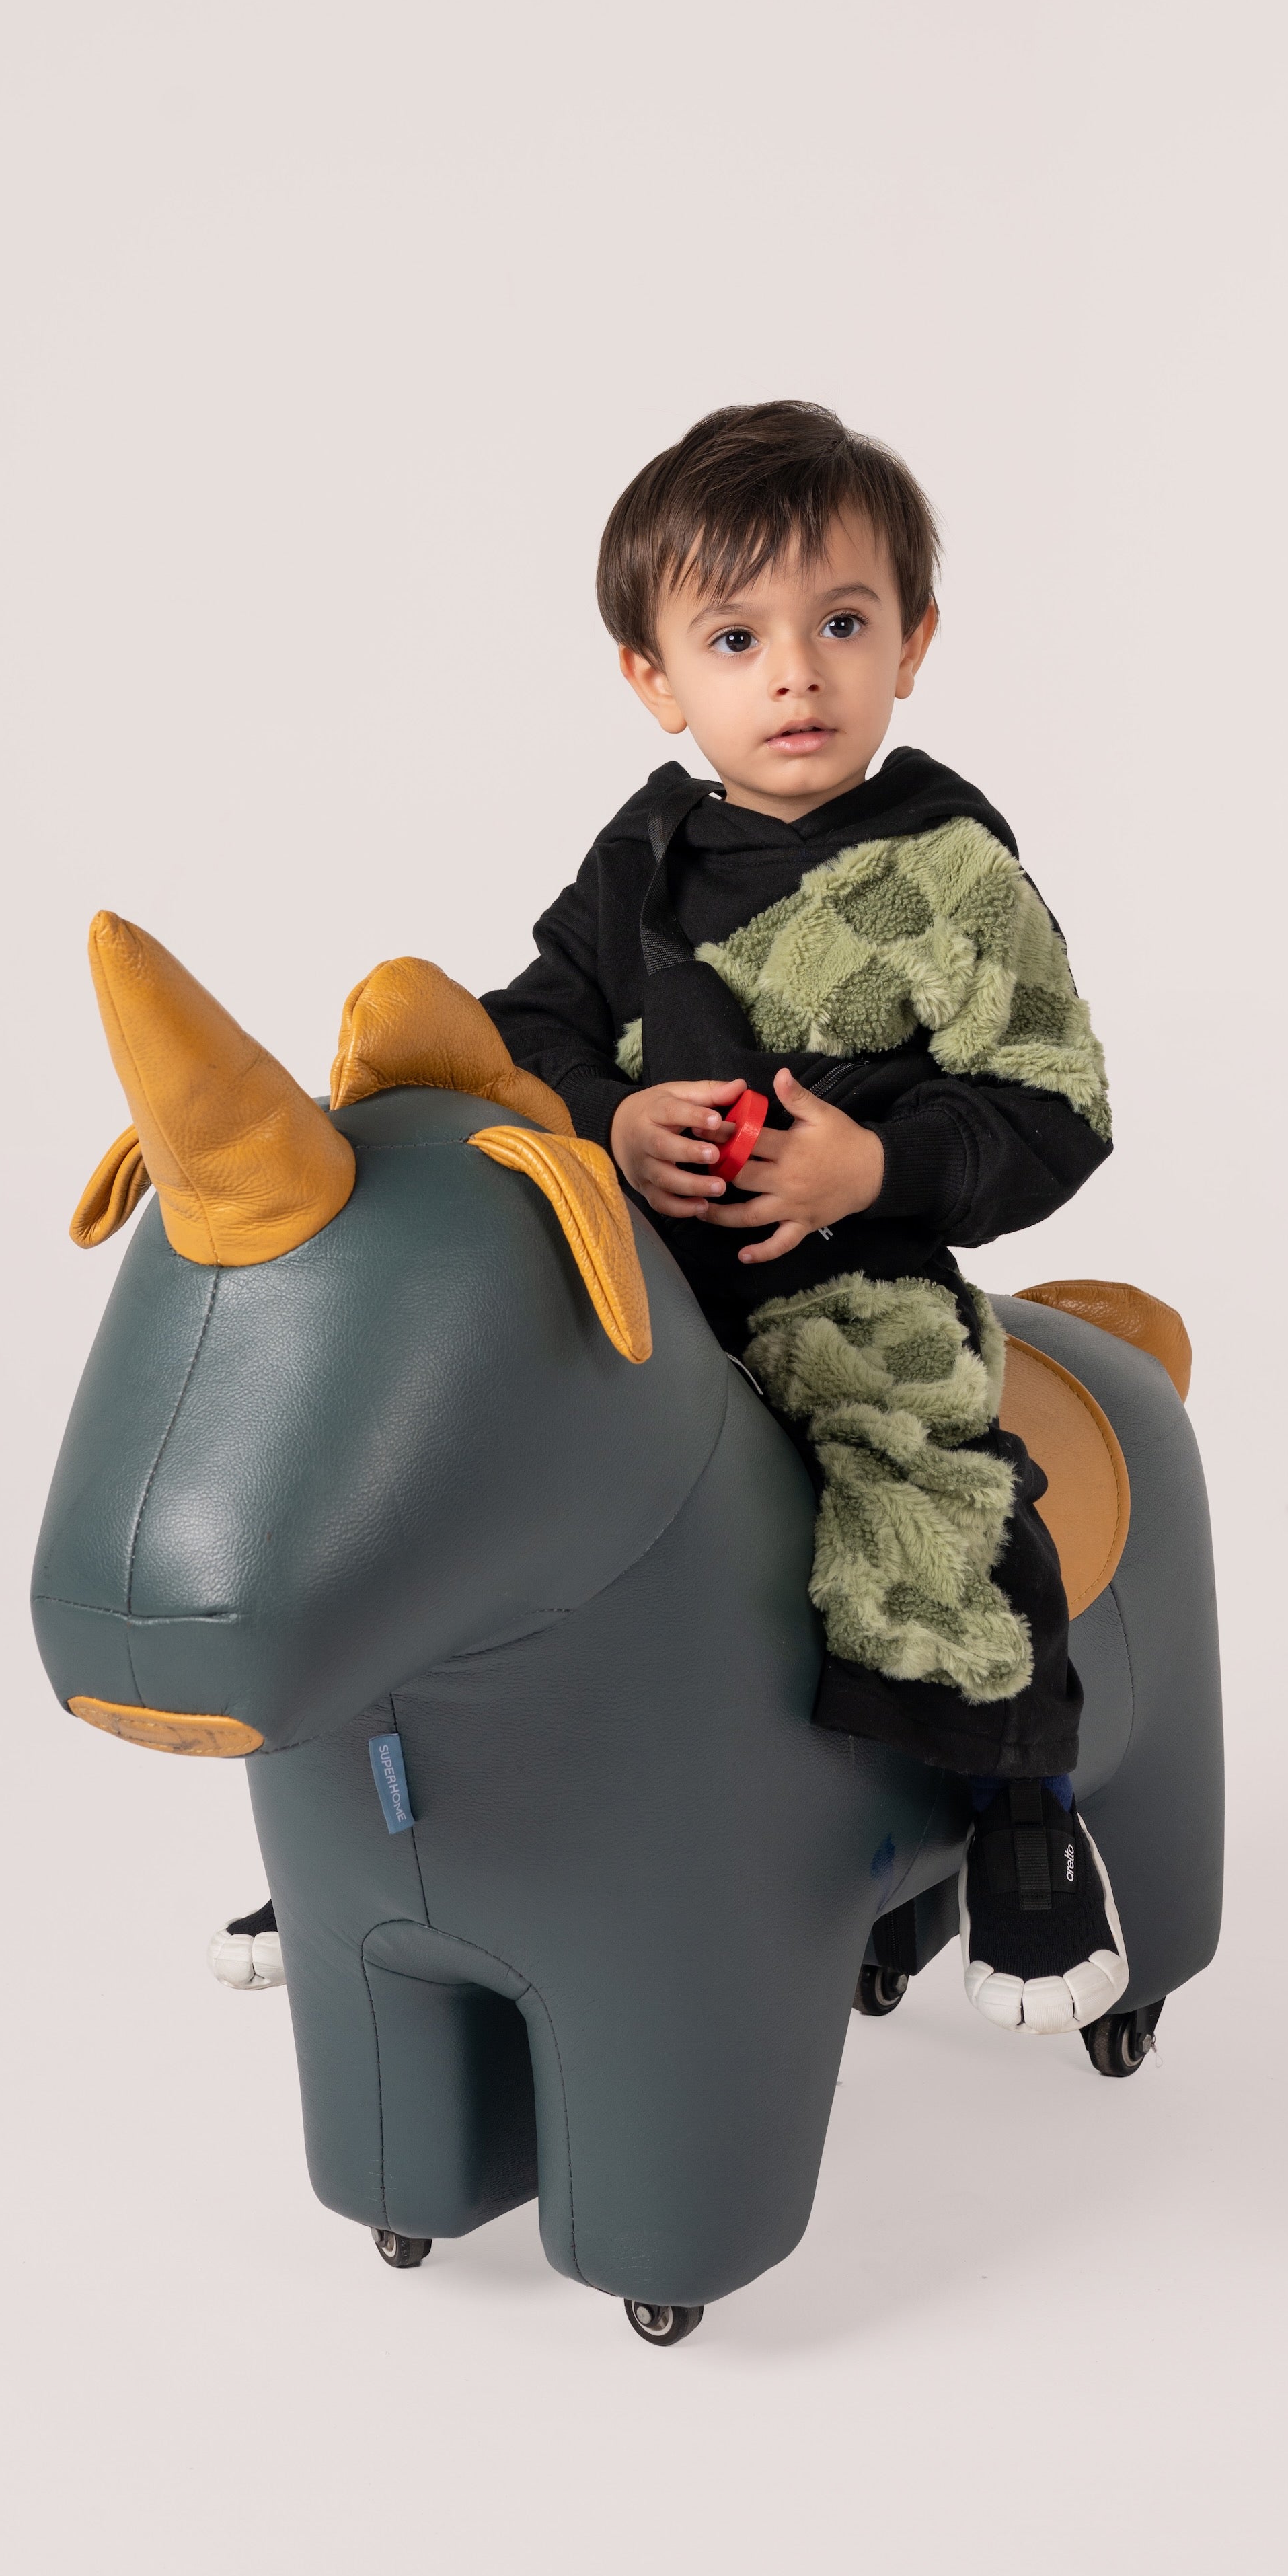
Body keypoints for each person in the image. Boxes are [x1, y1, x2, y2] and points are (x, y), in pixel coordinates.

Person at [476, 400, 1128, 2037]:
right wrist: (609, 1116)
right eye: (734, 635)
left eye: (842, 624)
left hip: (848, 1292)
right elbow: (524, 1026)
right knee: (455, 1436)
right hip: (637, 1279)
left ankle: (1023, 1817)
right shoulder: (637, 861)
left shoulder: (948, 866)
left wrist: (876, 1170)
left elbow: (1053, 1102)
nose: (796, 674)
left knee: (928, 1478)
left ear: (910, 643)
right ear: (654, 675)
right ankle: (414, 1799)